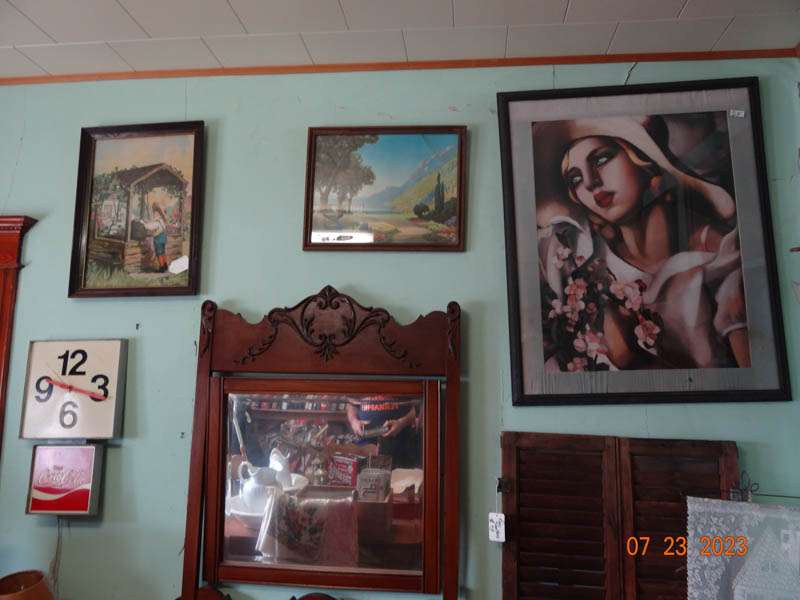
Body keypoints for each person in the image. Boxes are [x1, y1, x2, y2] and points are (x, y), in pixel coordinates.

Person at [534, 116, 749, 372]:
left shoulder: (722, 256)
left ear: (645, 160)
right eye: (575, 178)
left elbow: (754, 382)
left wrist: (633, 360)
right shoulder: (576, 262)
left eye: (601, 159)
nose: (590, 183)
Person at [346, 395, 420, 468]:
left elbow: (416, 410)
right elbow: (352, 405)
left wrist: (401, 423)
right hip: (365, 445)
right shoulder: (358, 387)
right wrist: (354, 422)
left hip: (399, 444)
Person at [137, 203, 169, 273]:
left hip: (158, 239)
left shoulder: (157, 223)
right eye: (155, 214)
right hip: (163, 238)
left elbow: (149, 227)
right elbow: (153, 224)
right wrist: (147, 222)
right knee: (163, 252)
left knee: (159, 253)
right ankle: (165, 265)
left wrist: (143, 223)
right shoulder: (162, 221)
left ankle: (161, 268)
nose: (154, 215)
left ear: (160, 215)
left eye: (156, 214)